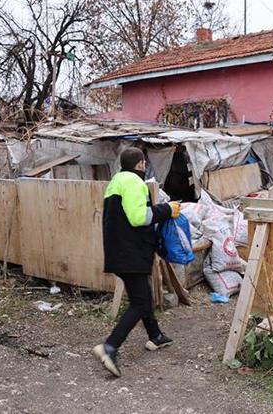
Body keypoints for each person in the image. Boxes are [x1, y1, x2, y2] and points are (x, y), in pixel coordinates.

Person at [92, 148, 180, 377]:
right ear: (140, 164)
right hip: (131, 253)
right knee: (140, 302)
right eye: (144, 163)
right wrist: (167, 210)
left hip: (120, 250)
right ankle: (110, 346)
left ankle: (156, 336)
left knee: (142, 295)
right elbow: (139, 217)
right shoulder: (133, 182)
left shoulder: (116, 181)